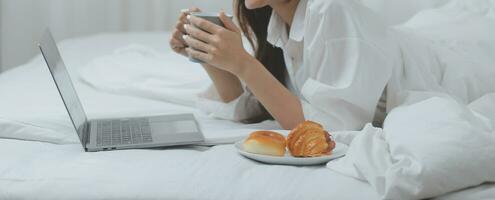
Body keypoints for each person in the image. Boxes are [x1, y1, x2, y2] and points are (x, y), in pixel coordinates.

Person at [169, 0, 393, 130]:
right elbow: (257, 109)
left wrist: (243, 63)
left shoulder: (330, 8)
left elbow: (331, 131)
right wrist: (208, 56)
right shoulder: (274, 21)